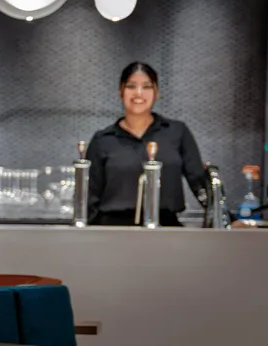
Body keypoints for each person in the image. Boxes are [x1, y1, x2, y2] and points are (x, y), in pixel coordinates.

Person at [85, 61, 213, 226]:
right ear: (121, 91)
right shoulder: (102, 140)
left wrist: (226, 218)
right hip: (113, 229)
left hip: (166, 228)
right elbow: (89, 196)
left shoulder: (177, 132)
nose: (138, 93)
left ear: (156, 92)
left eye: (146, 87)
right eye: (131, 86)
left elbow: (199, 183)